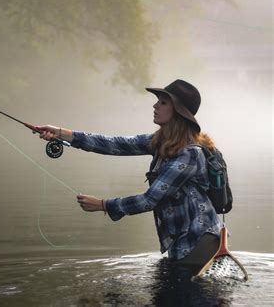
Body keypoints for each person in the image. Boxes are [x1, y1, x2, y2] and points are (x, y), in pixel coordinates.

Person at [36, 79, 222, 272]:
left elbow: (149, 200)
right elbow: (114, 144)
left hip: (200, 244)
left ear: (178, 113)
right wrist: (60, 133)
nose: (155, 105)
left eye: (163, 102)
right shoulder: (160, 141)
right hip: (184, 244)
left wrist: (103, 205)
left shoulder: (189, 153)